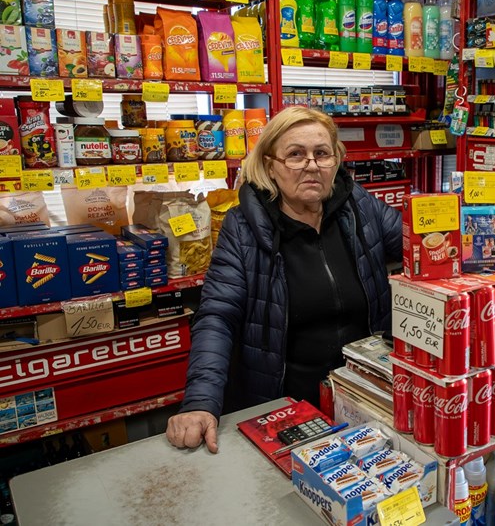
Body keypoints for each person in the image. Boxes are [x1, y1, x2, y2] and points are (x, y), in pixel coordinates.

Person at [166, 107, 402, 453]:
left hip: (365, 398)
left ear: (336, 160)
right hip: (287, 407)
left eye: (322, 153)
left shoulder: (359, 206)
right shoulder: (243, 226)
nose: (311, 164)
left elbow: (423, 247)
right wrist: (201, 401)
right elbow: (217, 315)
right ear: (270, 166)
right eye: (295, 154)